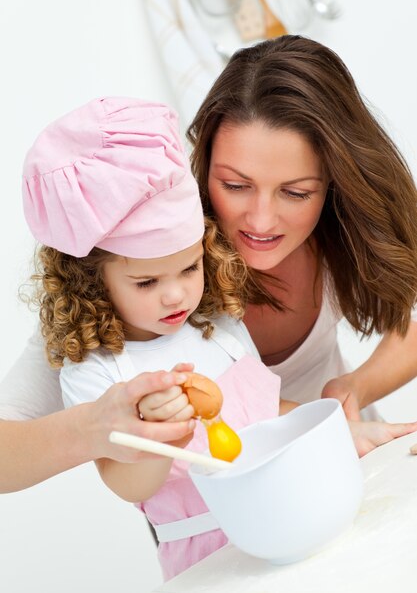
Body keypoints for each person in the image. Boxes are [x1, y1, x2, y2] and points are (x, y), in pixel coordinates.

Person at [15, 96, 417, 580]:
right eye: (146, 283)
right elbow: (130, 485)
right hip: (212, 557)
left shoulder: (214, 322)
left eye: (189, 268)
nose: (175, 296)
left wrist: (340, 429)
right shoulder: (99, 367)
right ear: (91, 284)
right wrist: (155, 437)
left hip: (298, 508)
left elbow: (270, 410)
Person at [186, 34, 417, 423]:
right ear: (205, 166)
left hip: (360, 460)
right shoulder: (157, 256)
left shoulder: (340, 235)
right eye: (235, 186)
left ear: (334, 182)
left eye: (295, 193)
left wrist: (355, 386)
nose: (261, 221)